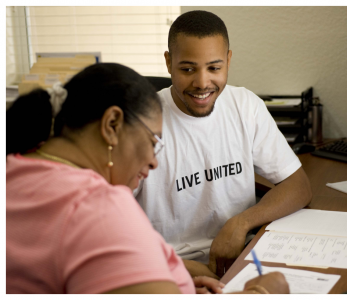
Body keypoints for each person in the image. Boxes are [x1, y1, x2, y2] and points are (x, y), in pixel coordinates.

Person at [6, 63, 288, 294]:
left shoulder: (14, 169)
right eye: (154, 141)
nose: (154, 161)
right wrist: (260, 293)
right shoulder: (98, 208)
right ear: (112, 124)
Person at [134, 10, 312, 277]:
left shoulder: (245, 106)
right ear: (169, 62)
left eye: (214, 68)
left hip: (241, 258)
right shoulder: (140, 122)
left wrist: (242, 223)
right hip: (167, 269)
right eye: (187, 69)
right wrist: (182, 268)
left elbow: (299, 186)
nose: (202, 83)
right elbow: (107, 228)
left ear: (228, 60)